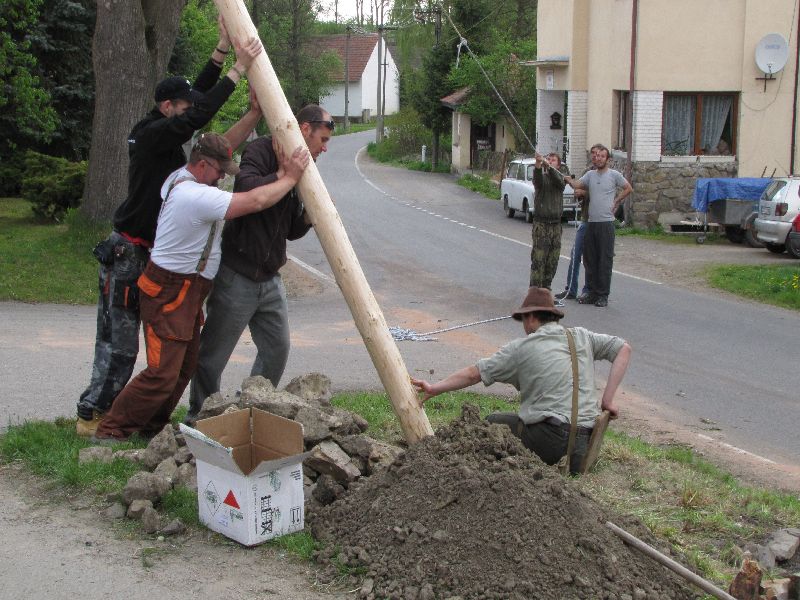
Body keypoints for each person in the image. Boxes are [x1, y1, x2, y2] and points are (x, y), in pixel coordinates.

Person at [76, 23, 263, 437]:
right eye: (182, 107)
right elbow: (199, 112)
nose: (190, 113)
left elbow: (195, 100)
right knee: (119, 346)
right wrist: (238, 69)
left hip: (146, 255)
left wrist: (218, 52)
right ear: (167, 108)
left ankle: (133, 420)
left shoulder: (163, 131)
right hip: (127, 252)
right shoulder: (152, 136)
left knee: (159, 358)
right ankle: (93, 417)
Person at [93, 133, 310, 441]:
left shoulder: (184, 176)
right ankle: (111, 430)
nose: (223, 176)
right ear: (203, 164)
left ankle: (149, 429)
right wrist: (289, 177)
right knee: (161, 373)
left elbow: (221, 143)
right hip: (168, 290)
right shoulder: (194, 196)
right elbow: (256, 200)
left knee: (183, 369)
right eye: (219, 169)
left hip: (187, 290)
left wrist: (252, 113)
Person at [185, 105, 333, 424]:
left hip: (270, 278)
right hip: (237, 275)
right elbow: (246, 190)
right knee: (213, 356)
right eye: (322, 138)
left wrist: (308, 216)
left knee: (277, 351)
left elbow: (290, 230)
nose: (325, 147)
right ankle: (199, 417)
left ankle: (251, 412)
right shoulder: (261, 150)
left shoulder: (302, 169)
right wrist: (283, 175)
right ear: (304, 129)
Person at [411, 287, 632, 474]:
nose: (524, 327)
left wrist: (435, 387)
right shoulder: (582, 336)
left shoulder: (521, 348)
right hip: (582, 450)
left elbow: (473, 374)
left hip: (549, 442)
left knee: (488, 425)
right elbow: (623, 349)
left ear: (532, 317)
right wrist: (608, 400)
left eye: (524, 319)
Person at [565, 144, 633, 308]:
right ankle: (591, 293)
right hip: (591, 223)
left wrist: (617, 200)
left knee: (604, 260)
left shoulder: (614, 175)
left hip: (606, 224)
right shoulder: (590, 175)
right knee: (590, 259)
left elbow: (628, 188)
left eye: (603, 156)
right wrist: (568, 179)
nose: (599, 159)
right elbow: (577, 185)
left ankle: (603, 295)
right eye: (597, 156)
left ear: (607, 159)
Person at [529, 152, 565, 292]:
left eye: (553, 160)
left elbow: (560, 184)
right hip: (542, 225)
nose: (549, 161)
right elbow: (537, 180)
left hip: (556, 225)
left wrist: (549, 167)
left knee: (552, 260)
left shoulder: (559, 178)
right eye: (548, 159)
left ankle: (545, 290)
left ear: (558, 164)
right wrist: (538, 164)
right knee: (539, 260)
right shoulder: (542, 179)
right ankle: (534, 291)